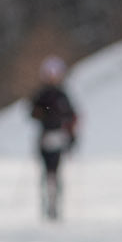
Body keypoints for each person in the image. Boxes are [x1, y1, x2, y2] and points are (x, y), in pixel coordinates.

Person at [29, 57, 80, 221]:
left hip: (58, 137)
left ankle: (55, 204)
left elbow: (72, 118)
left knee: (55, 172)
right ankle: (47, 202)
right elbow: (33, 114)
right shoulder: (42, 95)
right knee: (46, 173)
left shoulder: (62, 95)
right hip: (45, 137)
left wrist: (72, 138)